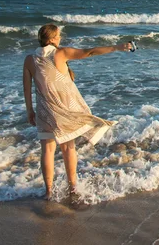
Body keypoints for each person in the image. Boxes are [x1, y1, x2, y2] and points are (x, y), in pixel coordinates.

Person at [23, 24, 132, 200]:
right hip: (63, 111)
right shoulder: (60, 53)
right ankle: (73, 188)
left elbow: (26, 88)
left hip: (44, 111)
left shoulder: (29, 59)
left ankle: (49, 192)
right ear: (51, 39)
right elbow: (90, 52)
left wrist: (30, 110)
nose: (60, 38)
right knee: (68, 148)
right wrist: (117, 47)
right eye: (58, 36)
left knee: (47, 150)